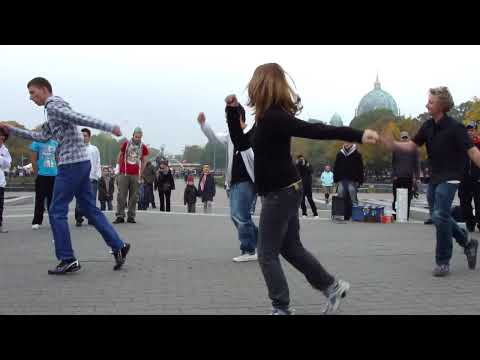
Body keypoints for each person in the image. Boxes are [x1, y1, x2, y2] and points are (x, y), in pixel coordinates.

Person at [225, 63, 379, 315]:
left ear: (261, 86)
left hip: (280, 192)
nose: (249, 89)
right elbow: (241, 143)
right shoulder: (264, 118)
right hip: (285, 190)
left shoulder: (275, 117)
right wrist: (232, 112)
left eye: (253, 84)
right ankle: (332, 286)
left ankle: (281, 308)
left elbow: (315, 130)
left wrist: (358, 134)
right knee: (290, 248)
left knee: (266, 254)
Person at [2, 77, 130, 274]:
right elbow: (42, 136)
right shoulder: (53, 111)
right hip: (81, 163)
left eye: (32, 92)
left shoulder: (53, 106)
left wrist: (109, 127)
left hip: (70, 165)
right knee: (89, 209)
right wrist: (12, 130)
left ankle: (67, 258)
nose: (30, 98)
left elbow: (79, 118)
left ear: (44, 90)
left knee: (56, 211)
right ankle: (118, 246)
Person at [383, 86, 479, 277]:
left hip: (451, 176)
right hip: (435, 177)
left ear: (441, 105)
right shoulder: (427, 126)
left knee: (440, 214)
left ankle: (443, 262)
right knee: (438, 216)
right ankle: (468, 243)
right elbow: (411, 145)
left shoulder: (456, 127)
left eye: (431, 102)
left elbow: (473, 151)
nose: (427, 104)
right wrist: (393, 144)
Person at [197, 106, 258, 262]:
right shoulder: (231, 135)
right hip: (233, 182)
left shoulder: (252, 132)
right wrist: (204, 125)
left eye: (228, 118)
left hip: (248, 180)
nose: (227, 121)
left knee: (239, 215)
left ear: (238, 117)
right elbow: (214, 138)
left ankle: (249, 250)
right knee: (239, 216)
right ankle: (265, 242)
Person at [114, 127, 148, 224]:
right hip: (124, 173)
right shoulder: (126, 144)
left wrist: (141, 174)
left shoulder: (143, 147)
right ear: (133, 135)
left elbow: (145, 161)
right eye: (136, 136)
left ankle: (131, 216)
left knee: (134, 197)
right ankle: (120, 215)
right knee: (121, 196)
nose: (137, 138)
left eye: (139, 137)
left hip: (135, 174)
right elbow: (120, 155)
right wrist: (117, 168)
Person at [391, 131, 420, 221]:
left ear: (408, 138)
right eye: (403, 138)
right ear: (400, 139)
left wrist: (417, 177)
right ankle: (395, 214)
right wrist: (394, 174)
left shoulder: (413, 149)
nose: (404, 139)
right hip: (398, 177)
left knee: (408, 198)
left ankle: (405, 216)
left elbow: (417, 164)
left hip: (409, 177)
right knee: (396, 197)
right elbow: (393, 163)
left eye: (406, 137)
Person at [75, 128, 101, 227]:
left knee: (92, 199)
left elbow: (98, 162)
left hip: (92, 178)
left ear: (89, 137)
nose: (83, 138)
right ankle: (79, 218)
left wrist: (97, 175)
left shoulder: (94, 149)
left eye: (85, 136)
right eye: (81, 136)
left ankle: (91, 218)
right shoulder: (76, 149)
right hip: (80, 179)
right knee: (80, 199)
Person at [30, 137, 58, 230]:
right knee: (40, 198)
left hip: (54, 174)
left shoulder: (55, 143)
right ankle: (37, 221)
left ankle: (53, 220)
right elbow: (33, 160)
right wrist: (36, 173)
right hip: (41, 174)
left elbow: (57, 158)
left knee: (53, 199)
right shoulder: (36, 142)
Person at [458, 121, 480, 232]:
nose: (470, 132)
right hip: (464, 176)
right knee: (464, 200)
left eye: (472, 130)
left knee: (478, 201)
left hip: (477, 177)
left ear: (476, 131)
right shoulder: (462, 144)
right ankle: (469, 222)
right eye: (468, 130)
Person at [333, 142, 364, 220]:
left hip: (352, 179)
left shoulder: (357, 154)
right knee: (340, 194)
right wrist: (335, 179)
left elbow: (360, 168)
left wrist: (360, 180)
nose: (347, 144)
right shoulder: (340, 154)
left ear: (352, 143)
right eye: (345, 142)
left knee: (353, 196)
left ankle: (355, 215)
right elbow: (336, 167)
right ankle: (340, 214)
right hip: (342, 179)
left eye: (348, 142)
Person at [0, 125, 12, 234]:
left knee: (0, 205)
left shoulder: (5, 149)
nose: (1, 137)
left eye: (3, 136)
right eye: (0, 135)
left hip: (0, 182)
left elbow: (7, 165)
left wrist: (1, 159)